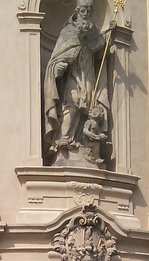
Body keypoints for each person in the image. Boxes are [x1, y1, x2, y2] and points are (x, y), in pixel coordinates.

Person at [43, 0, 116, 159]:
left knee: (88, 105)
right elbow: (59, 55)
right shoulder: (68, 31)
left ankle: (83, 140)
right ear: (77, 11)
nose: (87, 14)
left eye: (90, 10)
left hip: (88, 73)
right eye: (84, 10)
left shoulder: (93, 30)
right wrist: (59, 67)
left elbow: (98, 47)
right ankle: (64, 138)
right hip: (73, 75)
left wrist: (109, 34)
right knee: (73, 102)